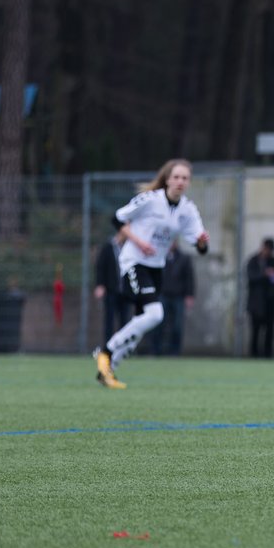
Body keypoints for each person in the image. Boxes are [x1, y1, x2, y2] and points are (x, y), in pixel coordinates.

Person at [93, 159, 209, 388]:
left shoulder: (187, 210)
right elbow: (117, 218)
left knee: (143, 320)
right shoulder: (150, 200)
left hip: (156, 268)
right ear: (167, 179)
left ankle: (108, 371)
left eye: (185, 178)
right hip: (134, 263)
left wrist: (203, 242)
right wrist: (139, 242)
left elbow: (200, 244)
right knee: (156, 314)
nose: (180, 182)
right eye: (176, 177)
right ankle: (106, 352)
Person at [151, 245, 195, 355]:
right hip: (162, 295)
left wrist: (189, 295)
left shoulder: (184, 258)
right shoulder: (159, 255)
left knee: (177, 325)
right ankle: (156, 350)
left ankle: (175, 351)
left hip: (178, 296)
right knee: (159, 323)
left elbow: (189, 277)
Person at [246, 237, 274, 358]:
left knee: (270, 331)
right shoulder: (253, 261)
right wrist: (264, 274)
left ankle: (268, 355)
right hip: (256, 303)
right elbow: (251, 277)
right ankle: (254, 355)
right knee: (255, 331)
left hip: (270, 303)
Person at [93, 232, 130, 343]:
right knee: (109, 319)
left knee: (125, 321)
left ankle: (123, 345)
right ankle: (108, 346)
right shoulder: (108, 247)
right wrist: (100, 285)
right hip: (111, 290)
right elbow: (100, 266)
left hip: (125, 291)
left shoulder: (129, 248)